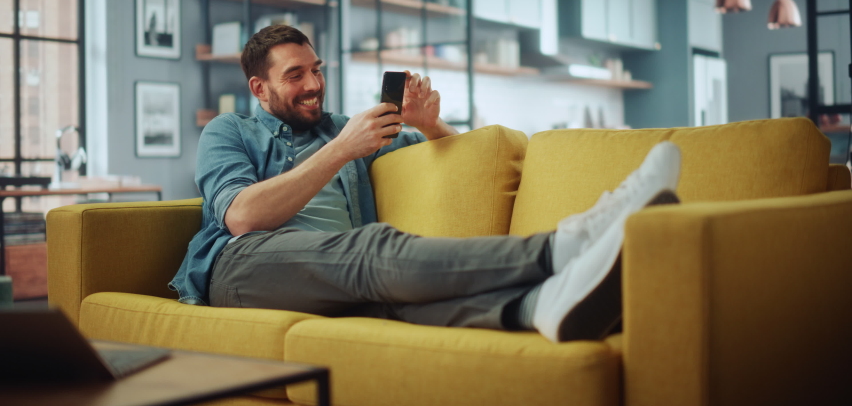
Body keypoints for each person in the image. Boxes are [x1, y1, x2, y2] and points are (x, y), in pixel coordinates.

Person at [169, 25, 682, 343]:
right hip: (242, 268)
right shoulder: (230, 130)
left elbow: (464, 156)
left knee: (400, 301)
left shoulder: (340, 128)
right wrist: (344, 148)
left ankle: (538, 306)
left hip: (328, 275)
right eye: (295, 75)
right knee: (370, 250)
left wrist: (432, 125)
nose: (313, 85)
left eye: (317, 70)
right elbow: (240, 217)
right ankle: (565, 245)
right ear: (259, 88)